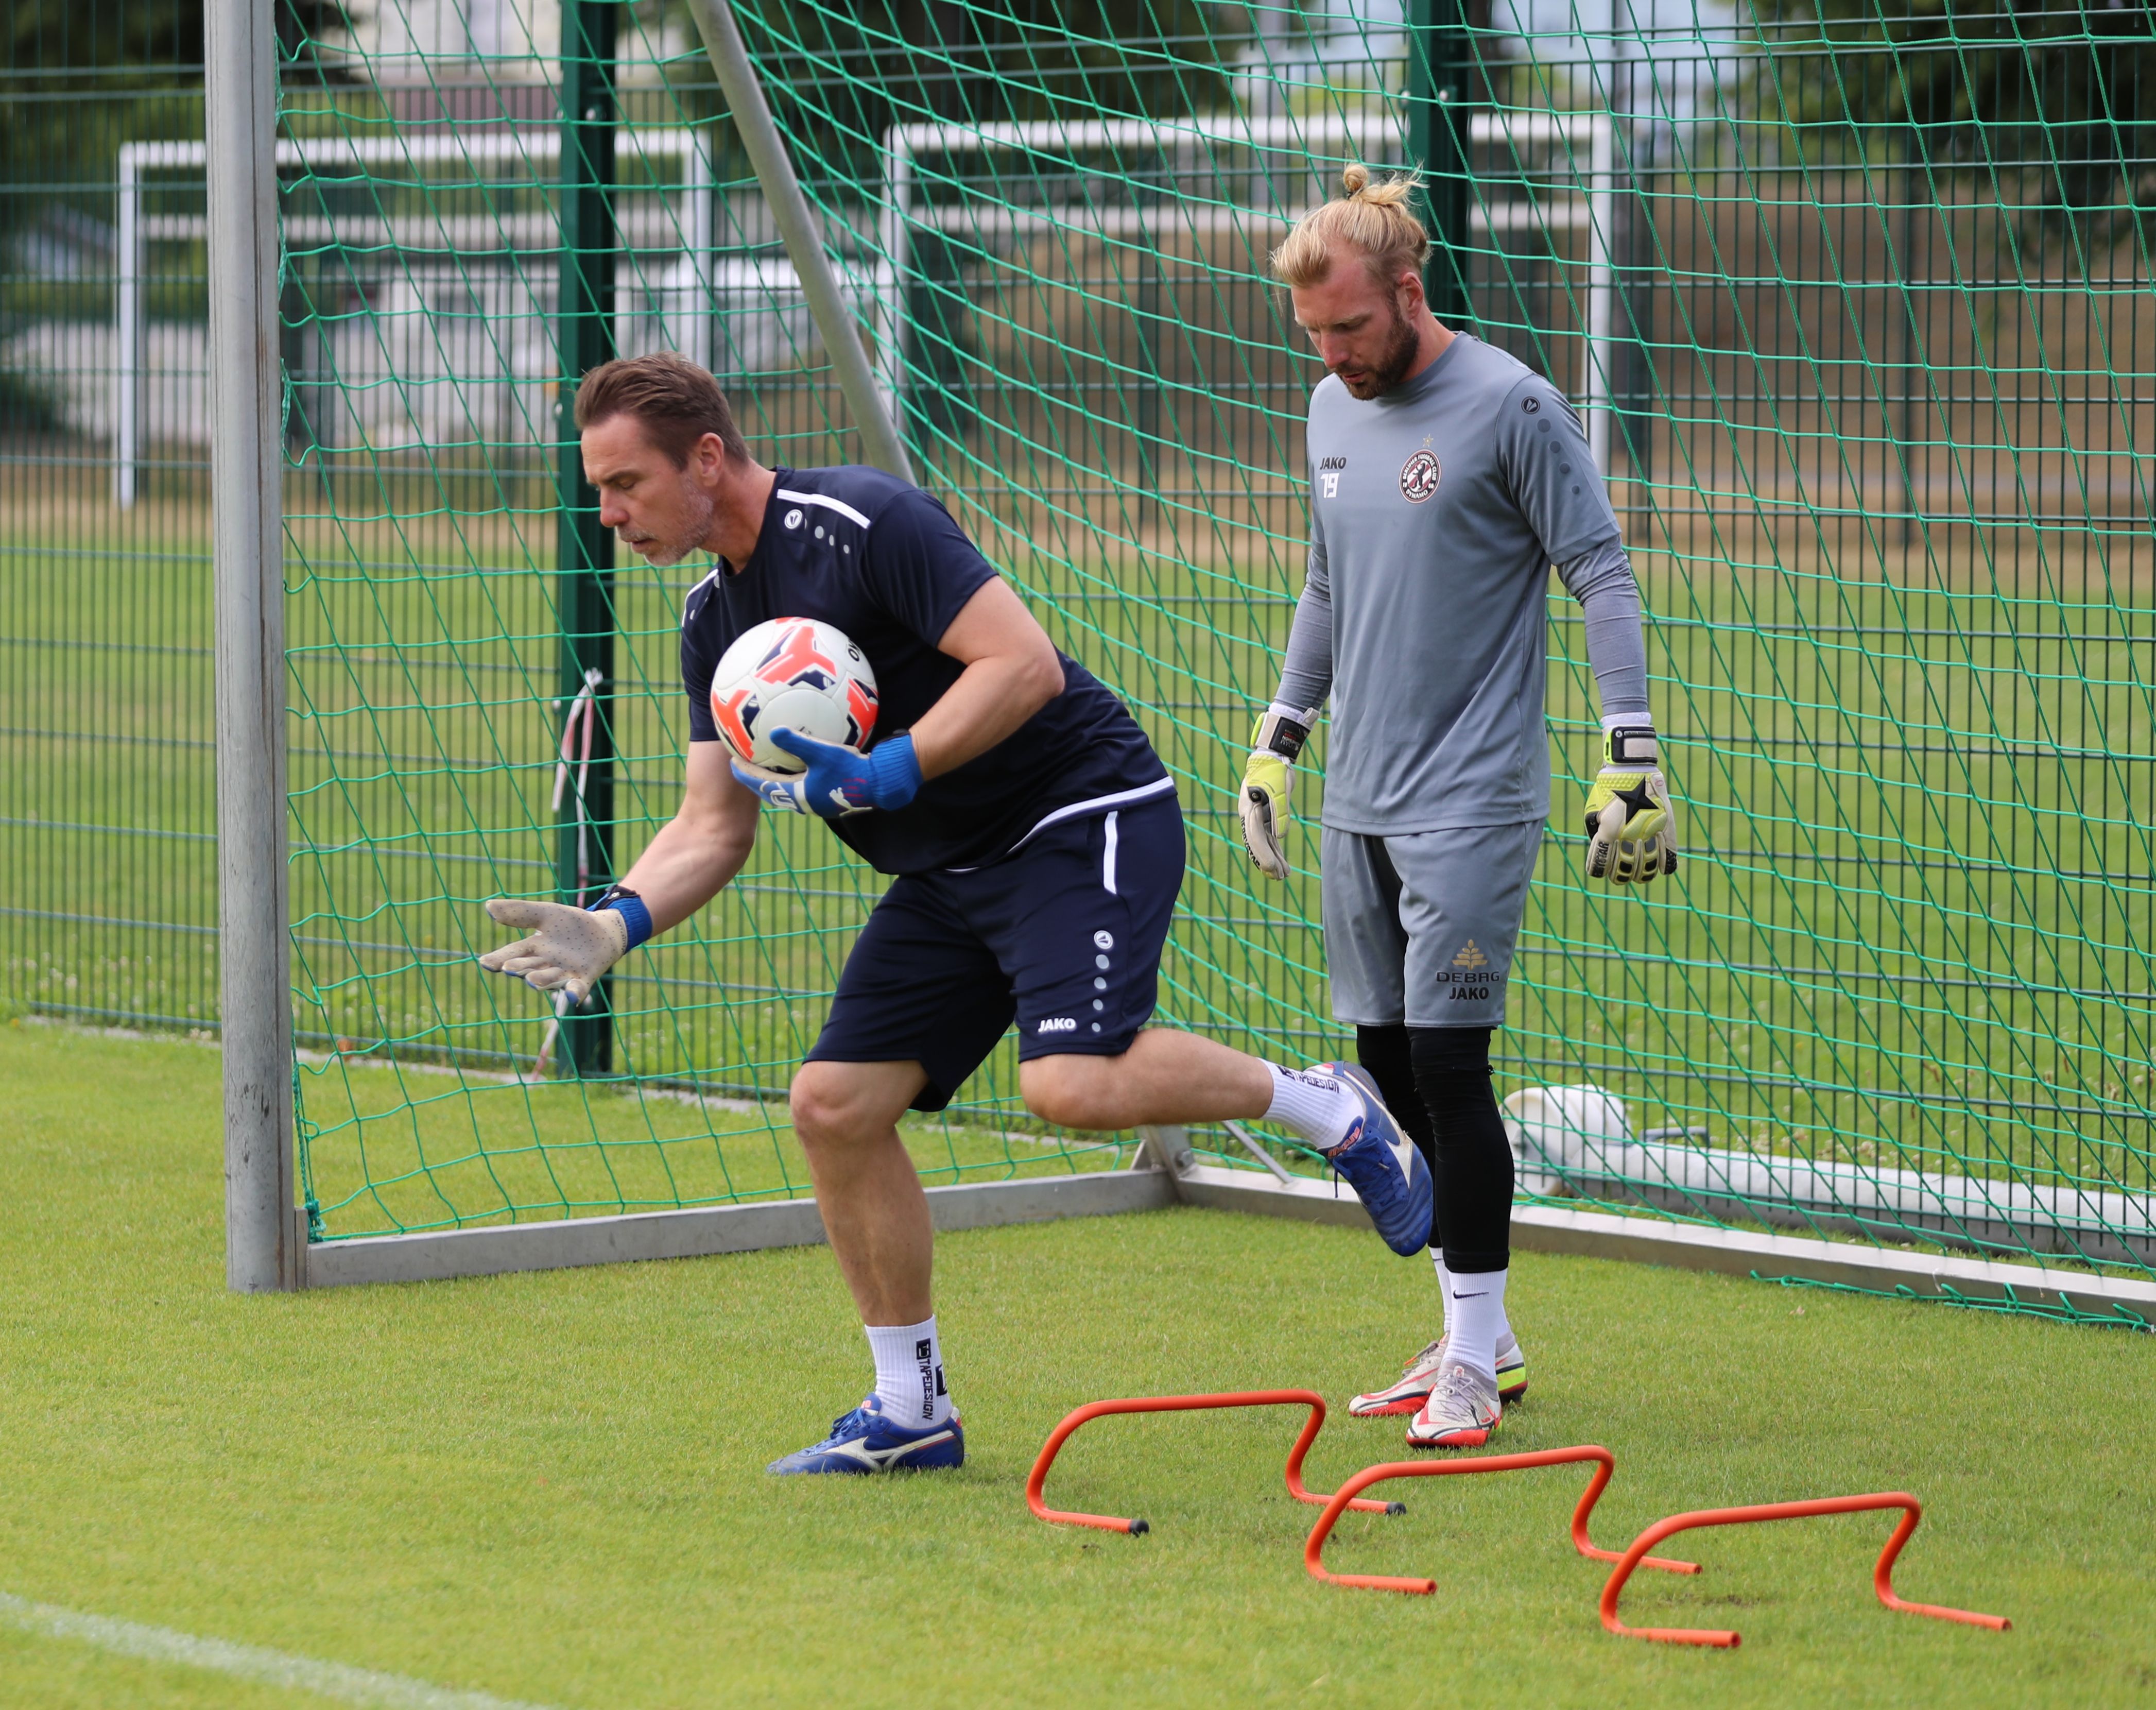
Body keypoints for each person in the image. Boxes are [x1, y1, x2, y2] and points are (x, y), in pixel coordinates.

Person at [478, 351, 1435, 1475]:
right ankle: (910, 1408)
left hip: (1079, 811)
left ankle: (1330, 1109)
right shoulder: (712, 624)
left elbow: (1022, 665)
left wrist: (896, 767)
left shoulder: (863, 520)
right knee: (833, 1106)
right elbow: (712, 824)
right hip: (951, 868)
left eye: (624, 482)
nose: (609, 514)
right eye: (598, 489)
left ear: (705, 455)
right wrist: (614, 923)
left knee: (1069, 1084)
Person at [1242, 167, 1679, 1449]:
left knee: (1449, 1063)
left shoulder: (1510, 405)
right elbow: (1325, 589)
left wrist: (1631, 755)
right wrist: (1280, 741)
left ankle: (1475, 1373)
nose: (1333, 354)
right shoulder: (1328, 408)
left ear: (1409, 291)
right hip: (1356, 800)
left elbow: (1600, 569)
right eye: (1314, 334)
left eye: (1351, 328)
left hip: (1476, 801)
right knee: (1385, 1069)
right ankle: (1478, 1334)